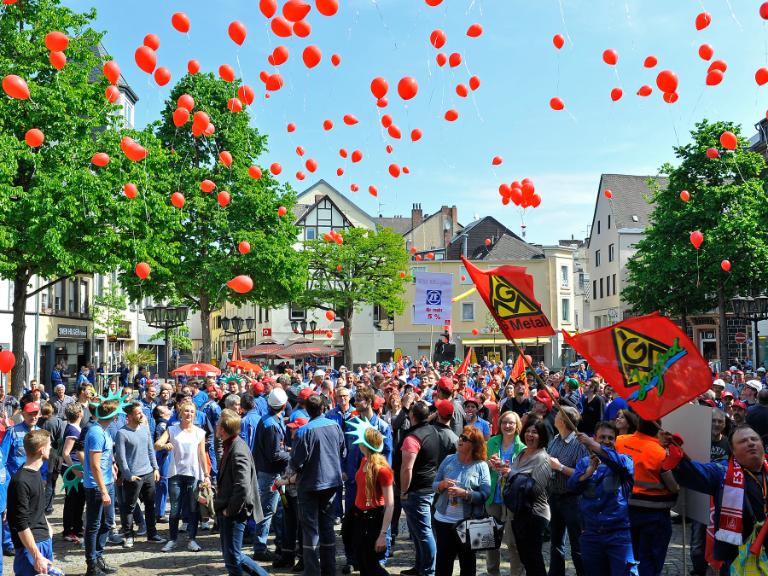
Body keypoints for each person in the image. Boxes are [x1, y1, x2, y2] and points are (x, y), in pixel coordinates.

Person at [669, 424, 768, 573]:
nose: (750, 443)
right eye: (743, 441)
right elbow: (694, 473)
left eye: (754, 439)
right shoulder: (722, 472)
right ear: (733, 451)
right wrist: (674, 452)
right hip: (737, 557)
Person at [396, 401, 457, 576]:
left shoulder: (414, 437)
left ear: (412, 416)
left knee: (423, 533)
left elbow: (406, 468)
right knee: (417, 532)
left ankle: (429, 570)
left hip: (416, 491)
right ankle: (421, 567)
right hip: (427, 487)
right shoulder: (432, 430)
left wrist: (404, 491)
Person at [568, 422, 637, 576]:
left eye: (610, 438)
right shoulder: (584, 463)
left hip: (618, 534)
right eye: (602, 437)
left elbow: (623, 465)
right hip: (591, 534)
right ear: (595, 437)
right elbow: (572, 486)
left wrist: (592, 445)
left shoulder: (625, 460)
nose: (606, 441)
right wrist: (588, 473)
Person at [615, 418, 679, 576]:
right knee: (649, 561)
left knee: (627, 558)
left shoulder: (620, 441)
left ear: (637, 424)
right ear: (658, 428)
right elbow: (674, 487)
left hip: (625, 510)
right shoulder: (661, 453)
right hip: (655, 516)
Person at [290, 394, 345, 576]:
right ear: (323, 408)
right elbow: (342, 450)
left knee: (310, 529)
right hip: (331, 483)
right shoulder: (335, 426)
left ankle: (313, 571)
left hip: (310, 485)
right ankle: (329, 570)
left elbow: (296, 462)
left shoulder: (304, 431)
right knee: (327, 527)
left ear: (307, 410)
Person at [214, 408, 269, 576]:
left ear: (223, 429)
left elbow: (242, 486)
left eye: (218, 424)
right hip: (228, 509)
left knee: (233, 558)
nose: (215, 425)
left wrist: (229, 510)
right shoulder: (230, 444)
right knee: (232, 556)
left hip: (235, 512)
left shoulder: (238, 449)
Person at [432, 426, 491, 576]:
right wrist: (442, 484)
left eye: (465, 439)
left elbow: (485, 494)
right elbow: (434, 484)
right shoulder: (449, 459)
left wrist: (465, 494)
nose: (460, 440)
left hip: (467, 523)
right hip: (443, 520)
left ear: (474, 444)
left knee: (468, 564)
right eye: (461, 437)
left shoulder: (481, 466)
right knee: (443, 563)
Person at [155, 399, 210, 553]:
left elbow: (202, 454)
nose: (189, 414)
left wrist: (206, 475)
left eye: (192, 412)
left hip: (194, 473)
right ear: (180, 413)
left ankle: (192, 539)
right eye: (186, 411)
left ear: (195, 415)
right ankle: (172, 540)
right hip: (175, 473)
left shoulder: (200, 432)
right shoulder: (172, 430)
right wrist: (165, 445)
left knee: (193, 508)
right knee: (174, 509)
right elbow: (157, 444)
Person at [346, 418, 395, 576]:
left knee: (372, 565)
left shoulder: (382, 470)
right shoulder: (364, 461)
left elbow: (390, 505)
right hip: (359, 517)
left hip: (373, 520)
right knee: (362, 562)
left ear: (365, 444)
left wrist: (383, 534)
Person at [114, 402, 164, 547]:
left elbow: (150, 451)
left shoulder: (145, 430)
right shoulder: (122, 433)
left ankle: (152, 534)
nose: (142, 415)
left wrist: (155, 468)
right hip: (133, 476)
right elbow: (121, 457)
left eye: (141, 412)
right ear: (129, 416)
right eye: (138, 413)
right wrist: (127, 474)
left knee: (150, 505)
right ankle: (129, 535)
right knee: (129, 507)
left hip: (148, 473)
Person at [7, 429, 56, 576]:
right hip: (30, 547)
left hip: (43, 540)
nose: (51, 448)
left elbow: (36, 508)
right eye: (49, 445)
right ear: (41, 450)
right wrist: (37, 556)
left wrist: (48, 527)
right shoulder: (20, 481)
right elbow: (21, 523)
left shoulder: (36, 473)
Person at [547, 405, 589, 576]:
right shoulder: (556, 439)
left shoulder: (579, 444)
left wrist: (560, 467)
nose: (554, 417)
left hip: (573, 499)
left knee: (577, 544)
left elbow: (584, 474)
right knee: (556, 542)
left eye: (557, 415)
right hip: (554, 496)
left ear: (563, 421)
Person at [507, 417, 551, 576]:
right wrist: (505, 472)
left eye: (534, 432)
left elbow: (535, 489)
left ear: (542, 436)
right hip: (519, 512)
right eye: (528, 431)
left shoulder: (543, 458)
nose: (530, 435)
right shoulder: (522, 453)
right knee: (525, 558)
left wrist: (511, 474)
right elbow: (512, 478)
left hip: (535, 514)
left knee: (534, 560)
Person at [83, 399, 121, 576]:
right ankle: (91, 565)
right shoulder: (96, 433)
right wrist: (103, 490)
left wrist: (112, 464)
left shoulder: (105, 431)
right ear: (113, 417)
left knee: (107, 522)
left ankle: (98, 557)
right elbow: (94, 465)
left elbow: (106, 454)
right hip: (96, 487)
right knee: (93, 525)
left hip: (107, 482)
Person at [252, 387, 290, 562]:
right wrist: (291, 454)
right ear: (284, 405)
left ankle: (280, 543)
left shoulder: (270, 420)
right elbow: (274, 454)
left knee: (278, 510)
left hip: (272, 473)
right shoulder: (271, 425)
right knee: (267, 510)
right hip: (271, 475)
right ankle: (260, 548)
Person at [485, 410, 526, 576]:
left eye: (511, 423)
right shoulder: (492, 442)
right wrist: (489, 464)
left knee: (513, 542)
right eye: (504, 422)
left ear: (517, 426)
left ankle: (517, 573)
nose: (507, 425)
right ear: (500, 424)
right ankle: (492, 572)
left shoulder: (522, 448)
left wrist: (509, 470)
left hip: (511, 500)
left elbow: (524, 474)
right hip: (493, 497)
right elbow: (481, 464)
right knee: (490, 540)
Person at [61, 401, 85, 544]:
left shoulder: (75, 427)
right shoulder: (72, 430)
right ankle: (68, 530)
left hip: (77, 468)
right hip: (71, 470)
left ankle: (77, 527)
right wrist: (75, 470)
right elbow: (65, 453)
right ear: (79, 413)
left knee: (79, 500)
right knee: (72, 501)